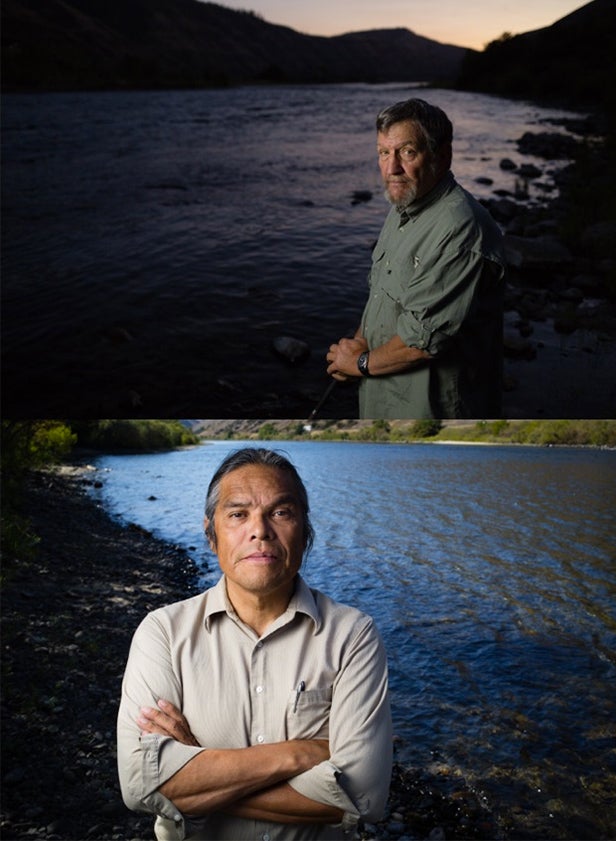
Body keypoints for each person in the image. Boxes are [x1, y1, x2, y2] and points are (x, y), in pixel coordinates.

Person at [117, 448, 392, 840]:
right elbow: (138, 785)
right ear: (211, 536)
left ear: (306, 533)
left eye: (281, 512)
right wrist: (302, 753)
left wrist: (199, 770)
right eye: (237, 514)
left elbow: (363, 796)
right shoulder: (162, 632)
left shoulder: (352, 636)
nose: (260, 530)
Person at [326, 98, 506, 419]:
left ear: (442, 155)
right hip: (381, 399)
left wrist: (358, 364)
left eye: (407, 152)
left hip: (430, 411)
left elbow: (420, 343)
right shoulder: (403, 207)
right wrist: (352, 349)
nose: (392, 168)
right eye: (384, 153)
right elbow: (381, 297)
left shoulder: (460, 228)